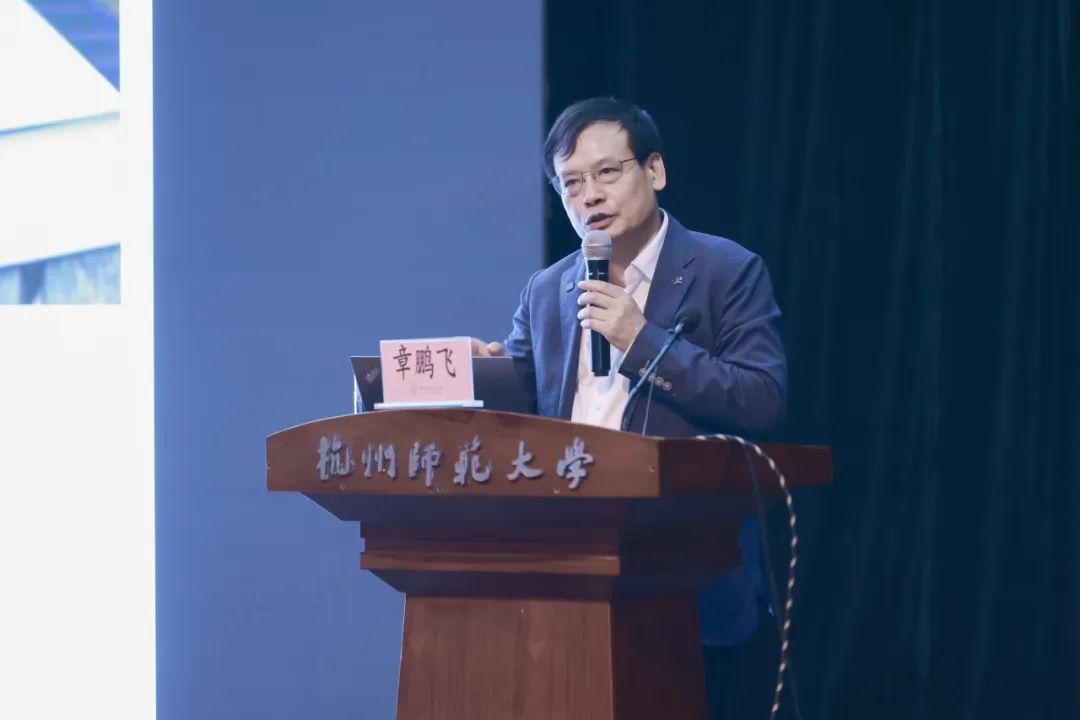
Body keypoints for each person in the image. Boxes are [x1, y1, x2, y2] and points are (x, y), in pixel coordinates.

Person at [472, 97, 787, 718]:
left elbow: (762, 399)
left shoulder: (725, 271)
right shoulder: (549, 288)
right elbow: (525, 400)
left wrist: (640, 341)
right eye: (571, 183)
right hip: (568, 570)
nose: (590, 195)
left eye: (608, 173)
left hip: (684, 570)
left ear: (655, 171)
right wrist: (485, 374)